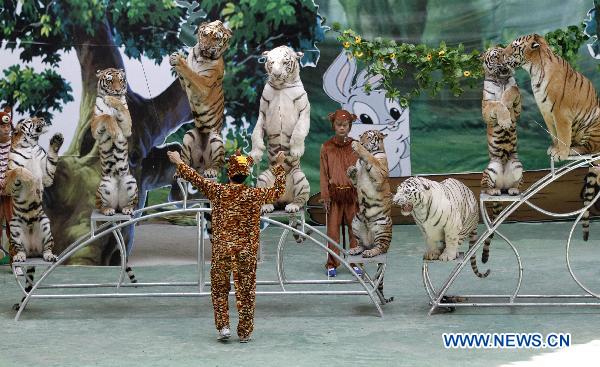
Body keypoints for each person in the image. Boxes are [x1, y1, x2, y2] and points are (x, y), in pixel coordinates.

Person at [167, 149, 286, 343]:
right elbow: (278, 191)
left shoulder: (218, 191)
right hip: (246, 251)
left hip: (222, 249)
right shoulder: (254, 194)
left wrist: (179, 161)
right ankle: (245, 332)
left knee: (220, 288)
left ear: (229, 172)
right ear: (246, 174)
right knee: (246, 290)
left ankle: (223, 327)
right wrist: (279, 166)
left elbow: (196, 179)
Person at [319, 109, 361, 277]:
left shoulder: (355, 146)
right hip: (334, 197)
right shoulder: (326, 147)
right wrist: (325, 196)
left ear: (350, 126)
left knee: (355, 230)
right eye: (338, 125)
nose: (342, 128)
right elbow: (323, 174)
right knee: (333, 232)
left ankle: (355, 261)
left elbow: (361, 172)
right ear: (333, 126)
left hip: (352, 196)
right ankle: (332, 263)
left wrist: (360, 195)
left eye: (345, 125)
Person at [0, 107, 13, 262]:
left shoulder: (14, 145)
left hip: (11, 193)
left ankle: (15, 260)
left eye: (7, 126)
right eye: (2, 126)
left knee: (13, 226)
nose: (5, 129)